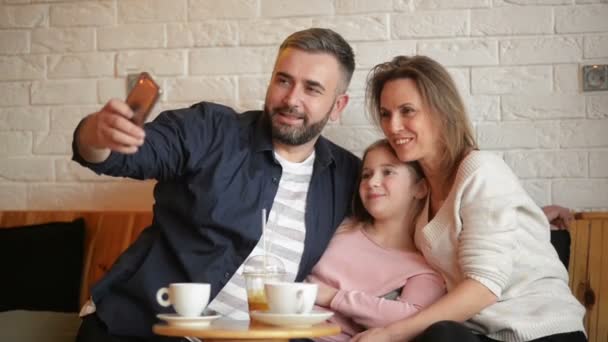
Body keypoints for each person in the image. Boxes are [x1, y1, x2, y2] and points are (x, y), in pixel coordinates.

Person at [71, 28, 361, 341]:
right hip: (139, 328)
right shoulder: (212, 130)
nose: (291, 99)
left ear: (338, 106)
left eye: (312, 89)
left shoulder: (347, 176)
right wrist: (98, 135)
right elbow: (122, 154)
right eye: (283, 80)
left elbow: (400, 227)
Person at [352, 55, 587, 342]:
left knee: (437, 335)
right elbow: (477, 225)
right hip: (481, 333)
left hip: (542, 332)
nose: (393, 126)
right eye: (386, 114)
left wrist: (391, 333)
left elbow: (484, 286)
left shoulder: (481, 171)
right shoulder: (422, 193)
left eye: (407, 111)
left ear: (441, 112)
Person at [306, 139, 446, 341]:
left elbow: (413, 319)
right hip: (275, 326)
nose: (372, 182)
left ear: (420, 188)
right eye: (366, 174)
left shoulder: (423, 269)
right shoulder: (339, 226)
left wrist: (332, 297)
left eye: (388, 172)